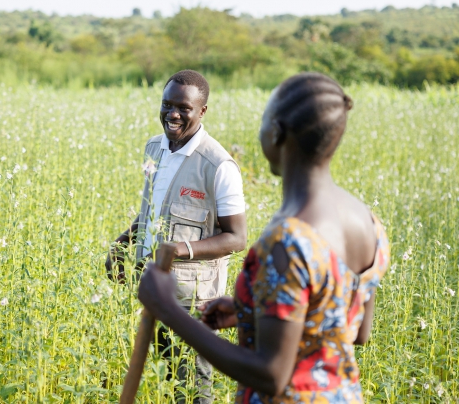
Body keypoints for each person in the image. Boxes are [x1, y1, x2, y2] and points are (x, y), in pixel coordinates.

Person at [138, 72, 390, 403]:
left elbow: (271, 375)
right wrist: (249, 310)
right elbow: (356, 331)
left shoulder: (286, 241)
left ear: (276, 132)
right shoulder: (368, 222)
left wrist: (167, 309)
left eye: (262, 121)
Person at [106, 70, 247, 403]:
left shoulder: (218, 165)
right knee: (157, 382)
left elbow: (236, 238)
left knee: (191, 388)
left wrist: (178, 249)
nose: (173, 114)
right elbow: (151, 212)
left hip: (191, 300)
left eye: (183, 107)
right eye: (167, 105)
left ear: (202, 111)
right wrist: (120, 245)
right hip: (151, 289)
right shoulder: (154, 148)